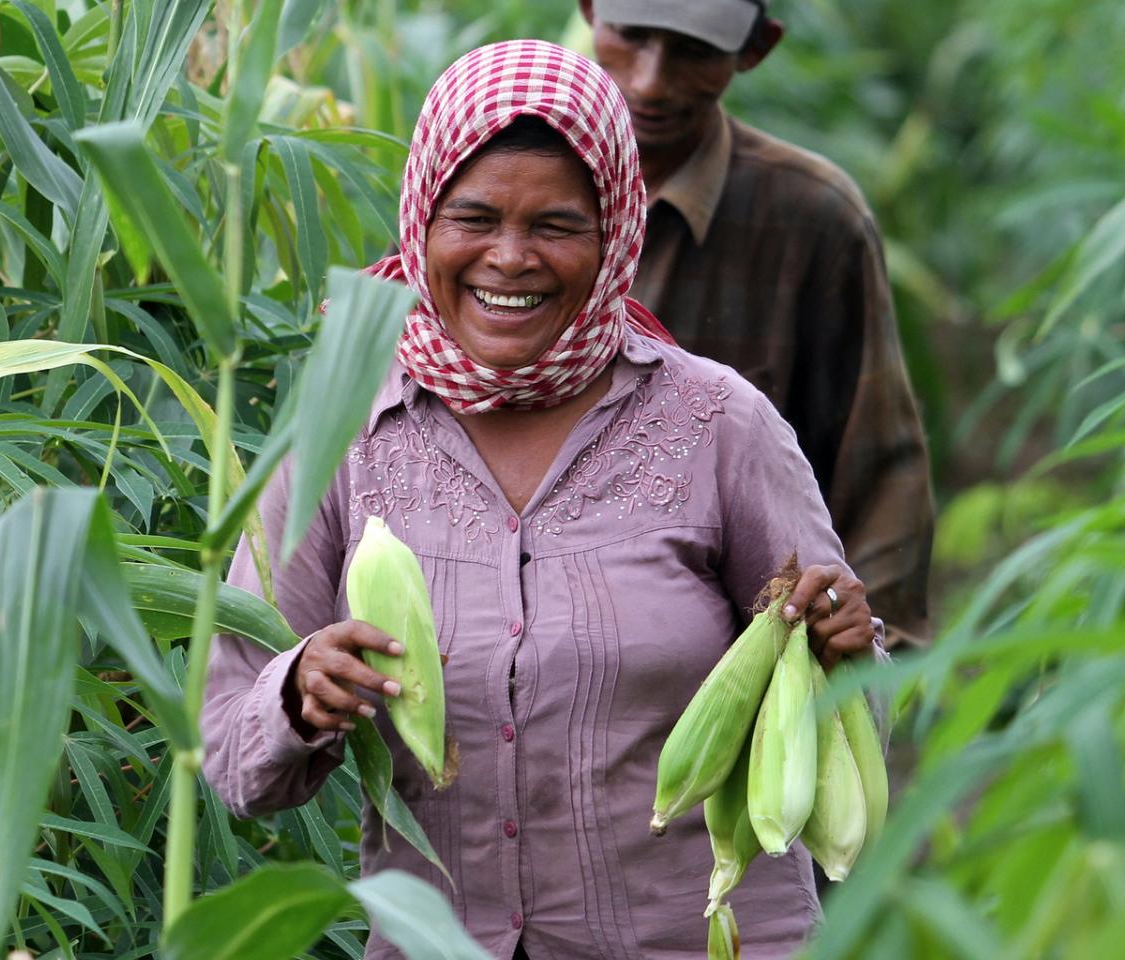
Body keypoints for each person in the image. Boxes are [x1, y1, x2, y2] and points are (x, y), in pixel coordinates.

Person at [201, 40, 879, 960]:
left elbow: (853, 711)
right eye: (473, 218)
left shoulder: (720, 425)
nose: (509, 259)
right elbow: (233, 762)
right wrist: (299, 691)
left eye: (557, 226)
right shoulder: (343, 438)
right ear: (420, 223)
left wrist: (844, 651)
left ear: (616, 235)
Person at [580, 0, 935, 645]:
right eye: (631, 35)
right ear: (588, 11)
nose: (651, 80)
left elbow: (879, 470)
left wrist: (865, 675)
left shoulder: (810, 219)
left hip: (749, 664)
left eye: (693, 50)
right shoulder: (502, 190)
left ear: (756, 48)